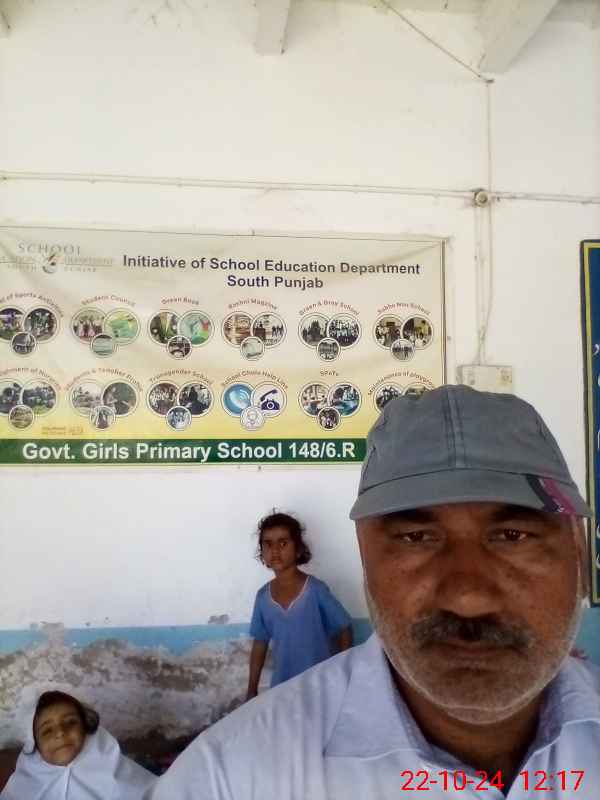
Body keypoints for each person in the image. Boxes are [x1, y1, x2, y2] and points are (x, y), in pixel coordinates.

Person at [147, 385, 598, 800]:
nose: (468, 598)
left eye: (514, 536)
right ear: (365, 558)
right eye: (416, 538)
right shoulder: (229, 777)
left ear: (579, 552)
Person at [246, 512, 353, 699]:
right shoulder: (263, 597)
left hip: (320, 685)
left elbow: (345, 628)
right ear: (262, 552)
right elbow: (260, 643)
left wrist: (342, 672)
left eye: (283, 543)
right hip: (283, 687)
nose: (275, 550)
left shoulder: (315, 590)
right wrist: (251, 689)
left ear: (298, 549)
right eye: (268, 544)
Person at [1, 690, 156, 799]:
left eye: (70, 722)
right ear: (36, 746)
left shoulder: (113, 767)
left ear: (85, 729)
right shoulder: (23, 788)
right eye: (47, 730)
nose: (60, 733)